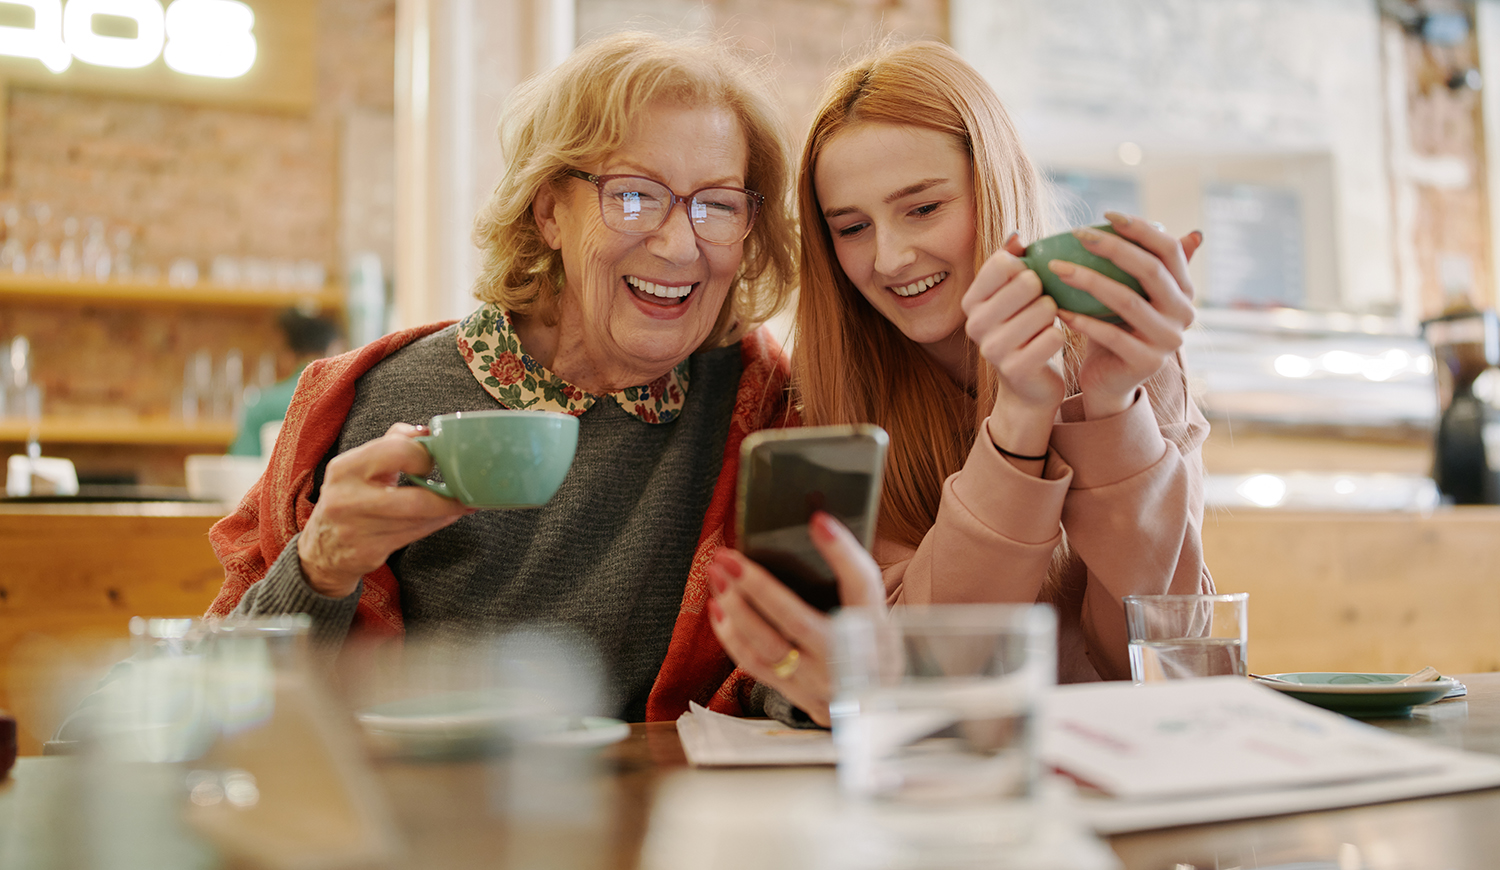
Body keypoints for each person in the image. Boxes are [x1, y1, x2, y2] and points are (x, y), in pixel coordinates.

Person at [203, 31, 797, 723]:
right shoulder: (375, 398)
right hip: (439, 818)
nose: (678, 243)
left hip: (675, 820)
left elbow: (788, 670)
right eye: (634, 198)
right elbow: (221, 699)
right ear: (549, 212)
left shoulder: (759, 404)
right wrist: (323, 563)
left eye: (718, 205)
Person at [706, 40, 1213, 726]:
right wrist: (1018, 421)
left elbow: (1159, 652)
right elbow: (915, 669)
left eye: (923, 209)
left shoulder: (1126, 354)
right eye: (852, 227)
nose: (889, 257)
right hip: (935, 780)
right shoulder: (830, 404)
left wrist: (1113, 404)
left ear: (994, 185)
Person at [228, 309, 345, 457]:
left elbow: (241, 465)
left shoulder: (261, 406)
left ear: (287, 353)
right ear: (333, 348)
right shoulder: (346, 399)